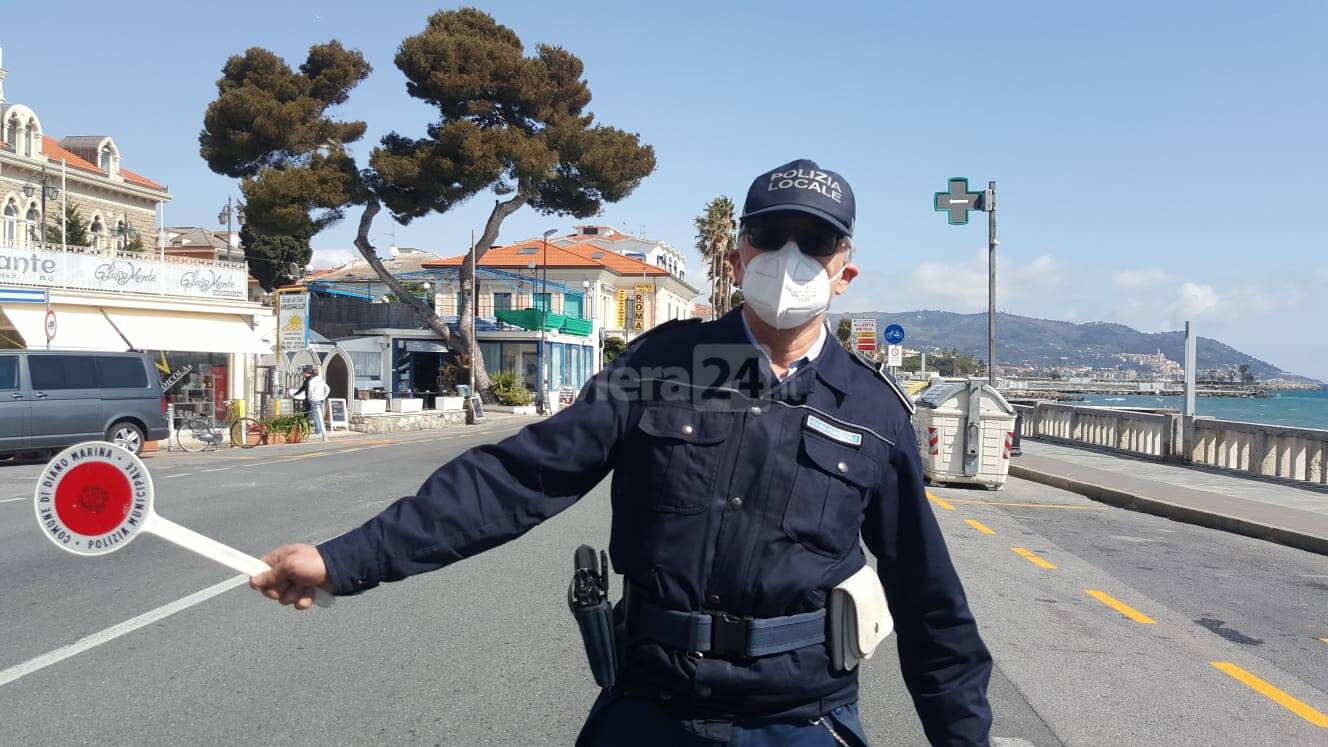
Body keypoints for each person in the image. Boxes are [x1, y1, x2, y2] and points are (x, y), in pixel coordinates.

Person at [251, 159, 993, 746]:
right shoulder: (658, 368)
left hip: (799, 720)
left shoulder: (873, 414)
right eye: (770, 235)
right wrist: (345, 558)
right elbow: (515, 480)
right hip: (652, 712)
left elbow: (931, 605)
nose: (789, 256)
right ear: (738, 253)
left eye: (815, 241)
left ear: (844, 270)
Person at [290, 366, 329, 440]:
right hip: (318, 400)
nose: (303, 375)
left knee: (313, 415)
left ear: (308, 373)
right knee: (316, 415)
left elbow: (309, 390)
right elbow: (327, 389)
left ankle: (317, 431)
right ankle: (316, 430)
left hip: (311, 400)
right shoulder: (320, 380)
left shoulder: (310, 381)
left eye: (304, 373)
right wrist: (323, 397)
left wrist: (310, 398)